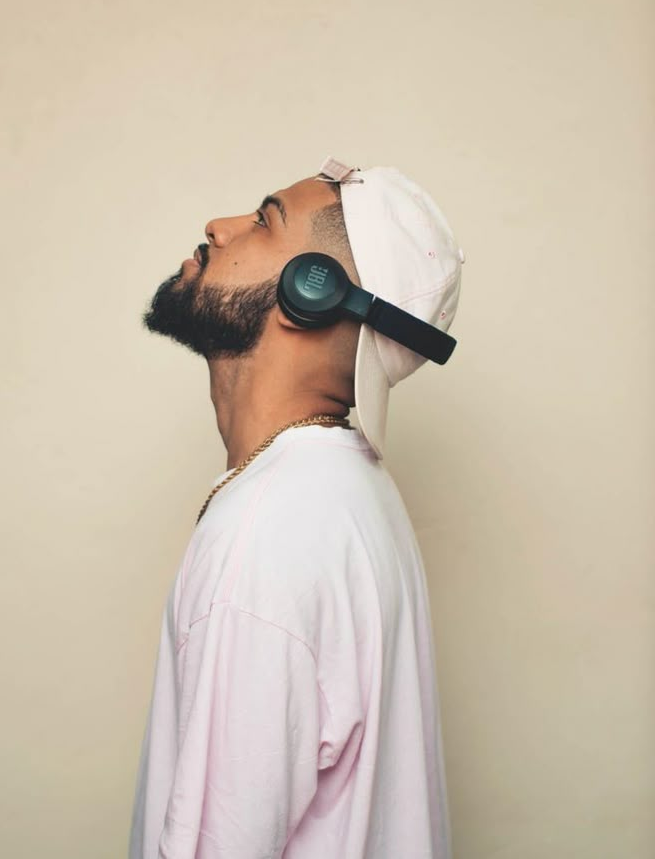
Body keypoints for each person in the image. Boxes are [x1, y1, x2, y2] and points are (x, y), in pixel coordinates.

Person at [129, 155, 465, 859]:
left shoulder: (264, 535)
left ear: (312, 291)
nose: (217, 229)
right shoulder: (350, 491)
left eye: (263, 220)